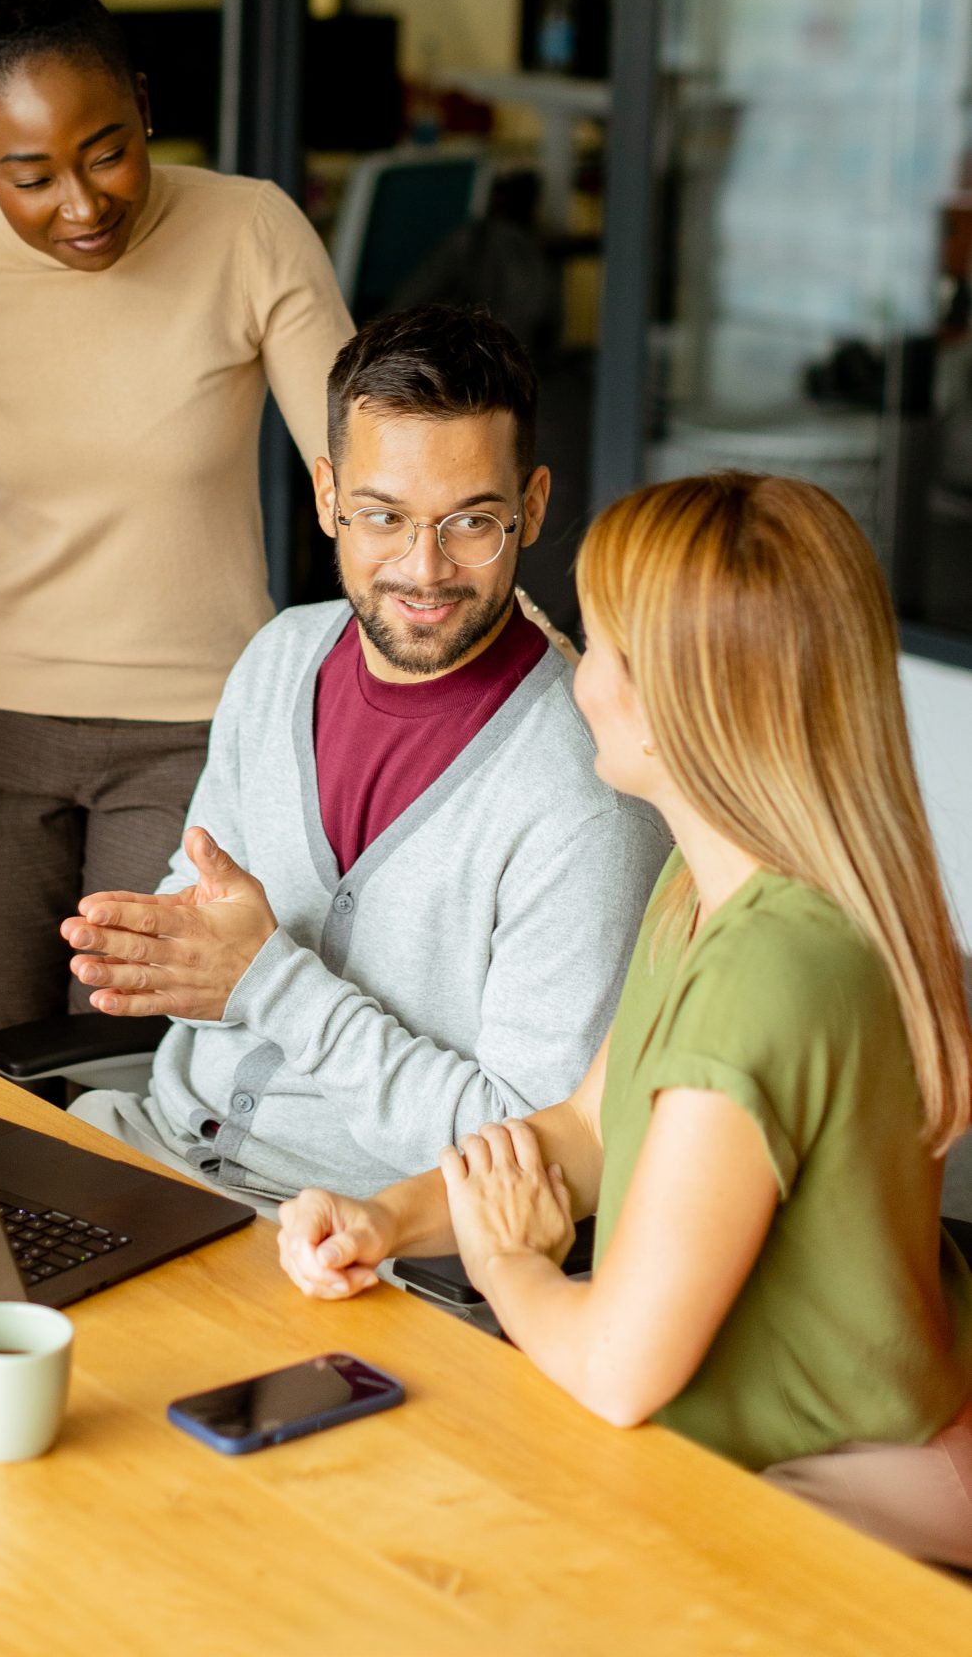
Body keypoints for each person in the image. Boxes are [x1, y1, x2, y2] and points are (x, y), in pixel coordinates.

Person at [276, 472, 972, 1570]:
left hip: (825, 1481)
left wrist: (511, 1268)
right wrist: (388, 1217)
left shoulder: (771, 974)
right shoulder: (706, 886)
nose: (573, 672)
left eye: (596, 646)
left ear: (680, 700)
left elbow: (616, 1367)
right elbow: (591, 1131)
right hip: (760, 1425)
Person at [0, 0, 353, 1053]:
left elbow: (360, 475)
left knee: (144, 1066)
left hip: (190, 725)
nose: (80, 204)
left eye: (109, 152)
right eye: (30, 175)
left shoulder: (251, 231)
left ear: (144, 108)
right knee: (5, 1054)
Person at [59, 305, 667, 1206]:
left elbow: (530, 1154)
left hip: (363, 1233)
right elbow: (200, 917)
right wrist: (164, 944)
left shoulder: (585, 800)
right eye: (383, 516)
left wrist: (267, 983)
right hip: (155, 1143)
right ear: (327, 495)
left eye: (471, 523)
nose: (423, 570)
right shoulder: (278, 659)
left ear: (531, 508)